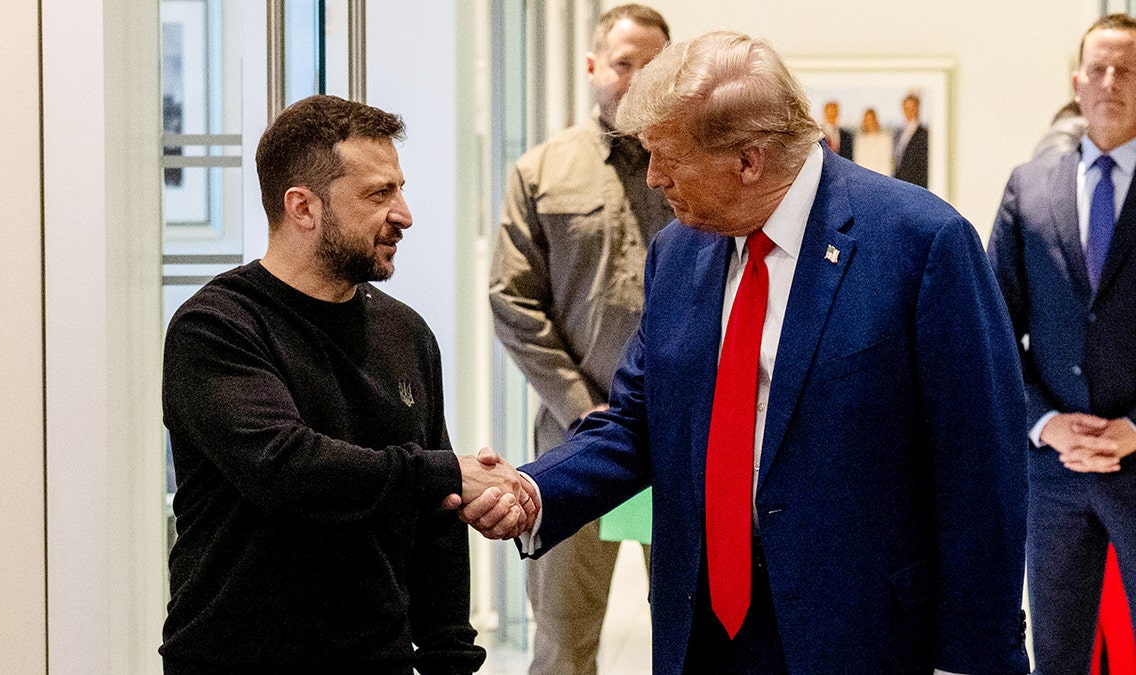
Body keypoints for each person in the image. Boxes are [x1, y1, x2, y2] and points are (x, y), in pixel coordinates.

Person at [459, 30, 1029, 674]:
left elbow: (980, 468)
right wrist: (535, 489)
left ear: (749, 161)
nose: (654, 178)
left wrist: (974, 658)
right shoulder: (678, 253)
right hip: (703, 627)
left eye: (667, 158)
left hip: (861, 631)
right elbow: (639, 422)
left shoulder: (921, 242)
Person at [159, 94, 532, 673]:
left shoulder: (406, 333)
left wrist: (449, 657)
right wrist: (444, 470)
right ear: (302, 207)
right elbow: (287, 468)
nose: (404, 213)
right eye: (379, 194)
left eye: (400, 189)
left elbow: (436, 520)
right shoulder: (216, 328)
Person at [487, 5, 671, 674]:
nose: (638, 78)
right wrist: (582, 407)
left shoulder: (702, 170)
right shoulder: (540, 172)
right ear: (594, 67)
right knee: (564, 640)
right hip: (575, 441)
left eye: (654, 65)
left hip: (686, 444)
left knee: (698, 633)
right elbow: (511, 301)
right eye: (625, 63)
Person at [989, 13, 1136, 675]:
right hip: (1052, 473)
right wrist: (1043, 423)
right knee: (1055, 656)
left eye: (1127, 69)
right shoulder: (1029, 185)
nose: (1111, 82)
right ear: (1077, 81)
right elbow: (993, 329)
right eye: (1099, 69)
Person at [893, 92, 929, 187]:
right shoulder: (899, 132)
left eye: (912, 108)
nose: (909, 111)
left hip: (916, 185)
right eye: (906, 108)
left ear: (918, 109)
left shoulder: (924, 134)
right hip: (900, 183)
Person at [851, 107, 892, 176]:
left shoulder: (885, 139)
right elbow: (857, 162)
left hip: (880, 178)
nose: (869, 122)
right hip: (863, 178)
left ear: (875, 120)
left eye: (871, 119)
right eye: (866, 119)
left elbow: (886, 164)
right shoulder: (859, 139)